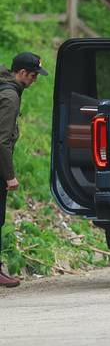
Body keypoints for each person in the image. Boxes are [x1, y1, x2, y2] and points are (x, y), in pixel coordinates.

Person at [0, 53, 48, 288]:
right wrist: (10, 176)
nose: (34, 81)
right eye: (34, 76)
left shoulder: (4, 87)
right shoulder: (10, 96)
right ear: (22, 73)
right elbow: (2, 141)